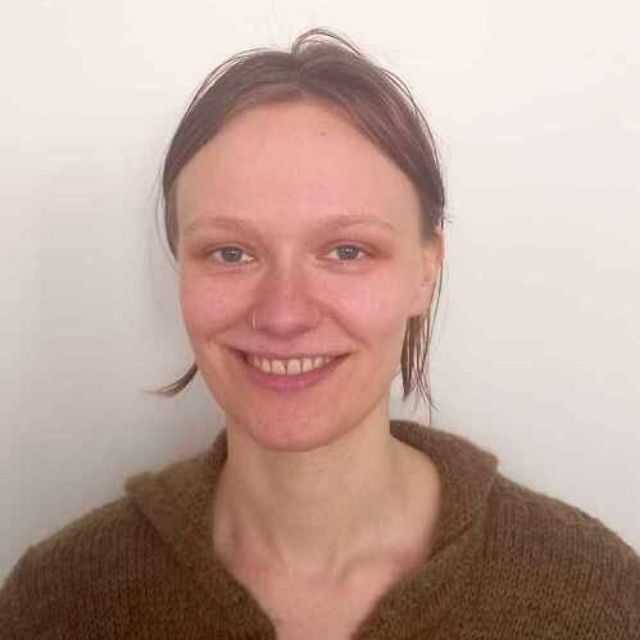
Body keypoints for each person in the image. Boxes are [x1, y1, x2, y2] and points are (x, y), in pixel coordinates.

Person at [1, 28, 638, 640]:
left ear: (427, 270)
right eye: (230, 253)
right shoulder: (54, 604)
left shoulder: (597, 598)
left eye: (347, 251)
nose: (283, 315)